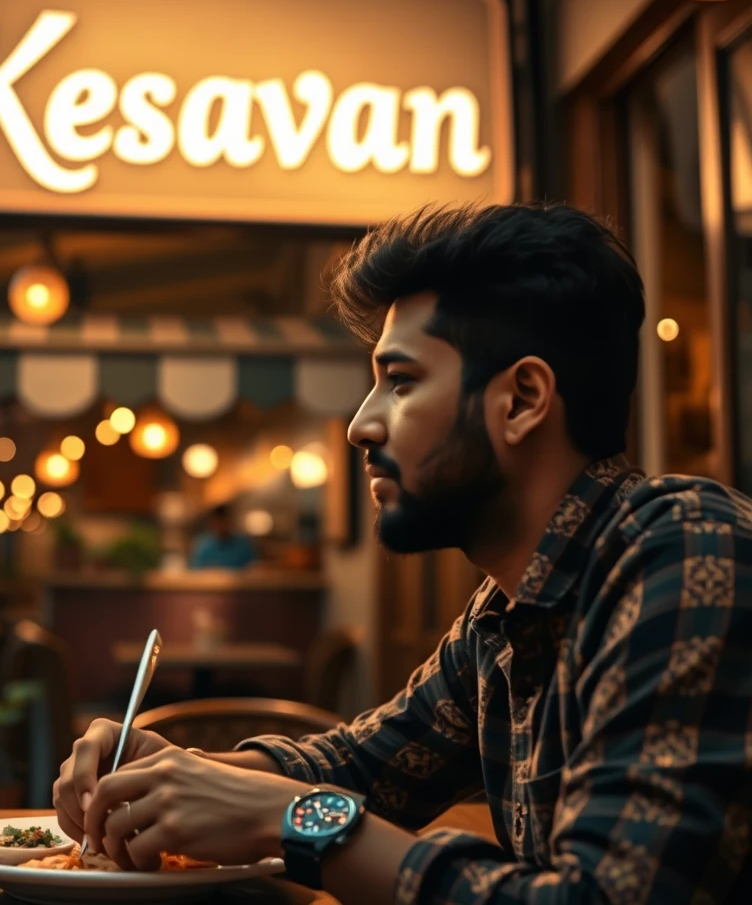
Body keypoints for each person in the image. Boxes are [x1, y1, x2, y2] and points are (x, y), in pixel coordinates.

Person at [53, 203, 752, 903]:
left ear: (522, 400)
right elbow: (366, 766)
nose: (361, 423)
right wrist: (187, 773)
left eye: (402, 380)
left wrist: (286, 818)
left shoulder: (685, 549)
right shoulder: (505, 613)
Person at [188, 504, 256, 571]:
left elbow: (254, 567)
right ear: (211, 523)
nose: (221, 526)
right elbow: (194, 570)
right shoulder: (203, 545)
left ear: (230, 522)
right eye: (218, 522)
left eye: (224, 522)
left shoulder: (243, 545)